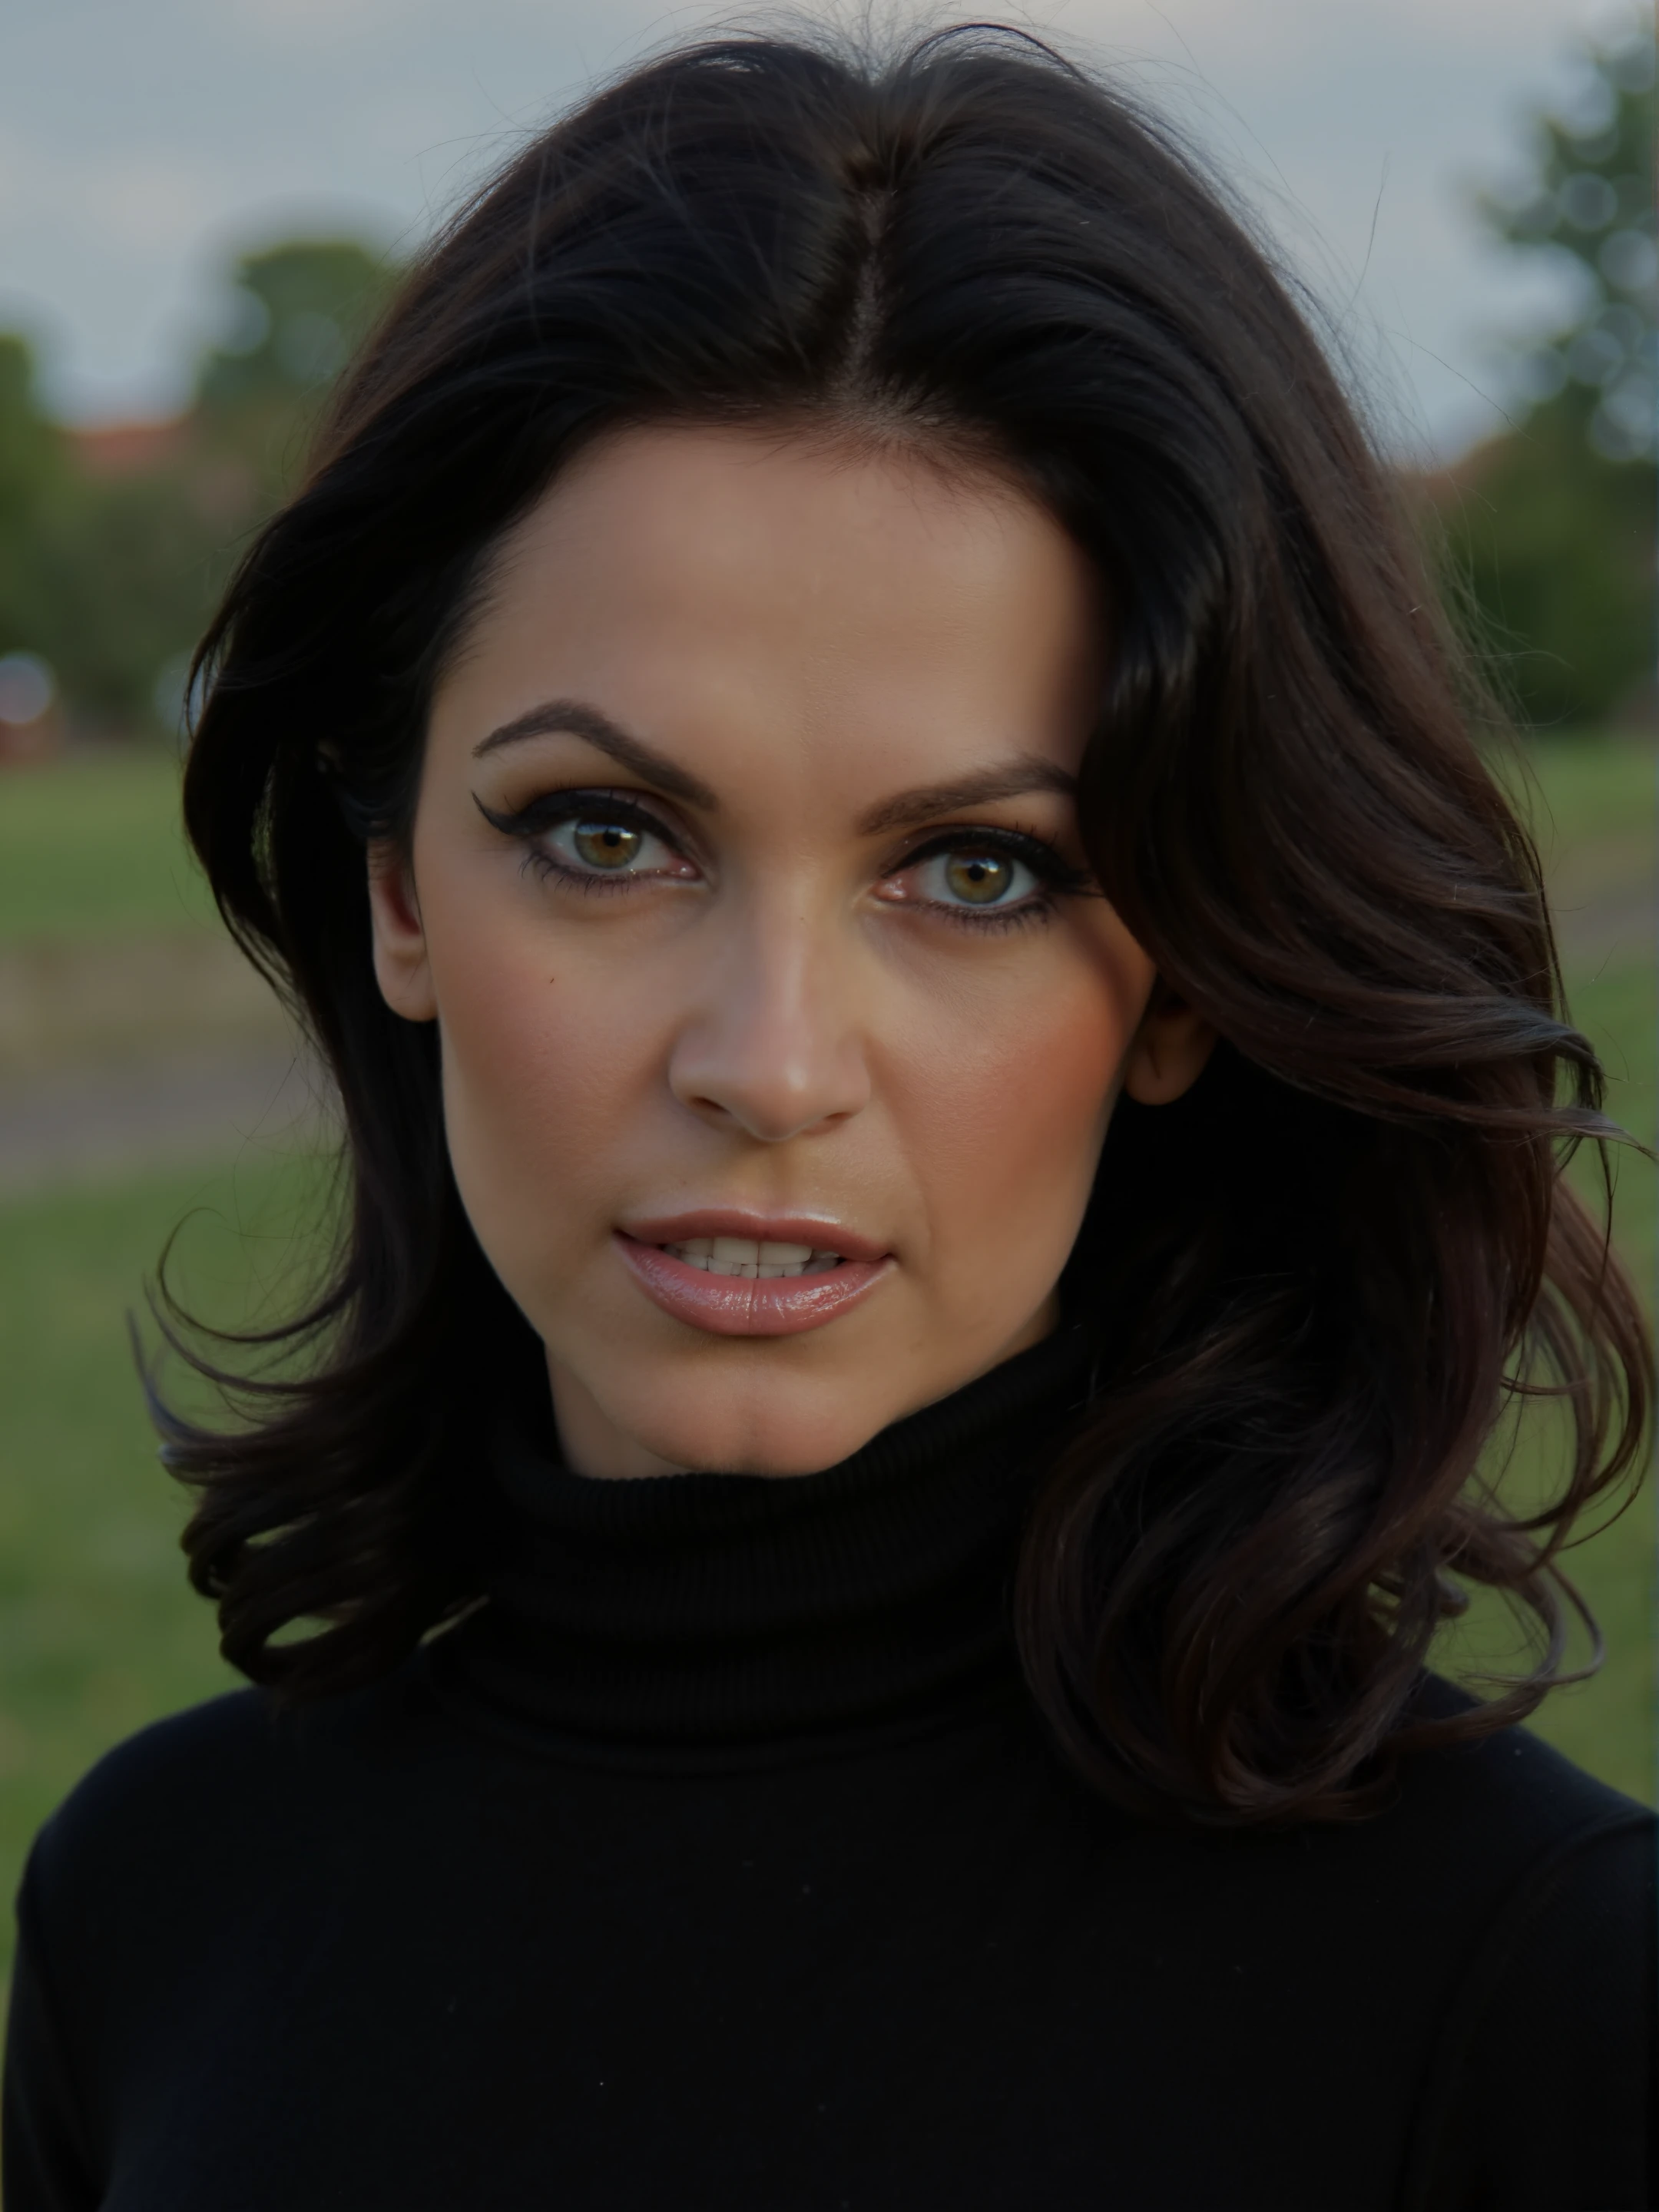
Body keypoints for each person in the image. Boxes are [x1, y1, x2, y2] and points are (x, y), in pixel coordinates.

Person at [4, 25, 1654, 2210]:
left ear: (1178, 980)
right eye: (606, 836)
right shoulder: (159, 1907)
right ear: (397, 879)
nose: (770, 1065)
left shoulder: (1541, 1998)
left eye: (978, 871)